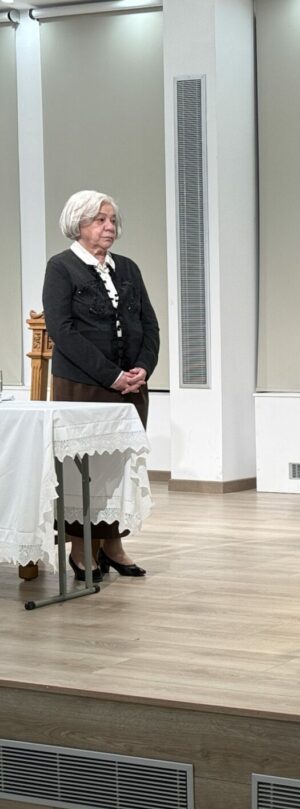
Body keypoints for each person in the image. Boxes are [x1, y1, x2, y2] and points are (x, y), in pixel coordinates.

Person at [42, 190, 160, 582]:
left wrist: (142, 368)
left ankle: (112, 544)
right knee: (83, 472)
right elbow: (63, 331)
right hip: (83, 385)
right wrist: (111, 375)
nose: (110, 227)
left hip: (130, 388)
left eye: (112, 220)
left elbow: (149, 325)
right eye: (100, 220)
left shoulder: (127, 268)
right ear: (78, 224)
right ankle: (80, 548)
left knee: (119, 469)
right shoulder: (61, 267)